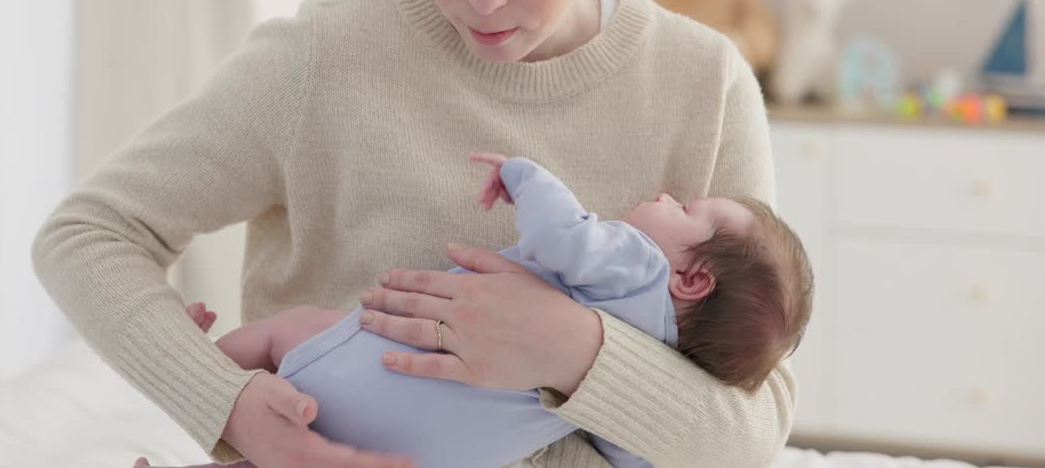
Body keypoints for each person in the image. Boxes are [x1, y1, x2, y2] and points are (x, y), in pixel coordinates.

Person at [32, 0, 797, 466]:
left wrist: (572, 346)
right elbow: (87, 234)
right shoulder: (326, 57)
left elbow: (755, 429)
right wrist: (225, 405)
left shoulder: (704, 83)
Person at [131, 154, 814, 468]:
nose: (669, 196)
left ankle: (205, 367)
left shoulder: (636, 263)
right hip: (414, 452)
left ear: (691, 279)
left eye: (688, 211)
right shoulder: (663, 371)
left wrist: (524, 174)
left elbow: (561, 233)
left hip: (376, 362)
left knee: (288, 333)